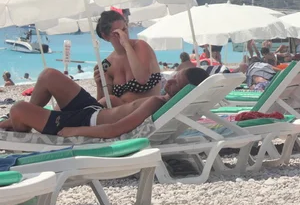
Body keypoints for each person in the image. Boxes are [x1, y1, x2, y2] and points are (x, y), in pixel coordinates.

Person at [0, 67, 208, 138]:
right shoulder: (162, 100)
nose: (169, 80)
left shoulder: (156, 103)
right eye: (174, 75)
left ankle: (17, 123)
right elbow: (122, 112)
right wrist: (114, 101)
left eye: (176, 81)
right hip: (92, 109)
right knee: (48, 76)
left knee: (18, 108)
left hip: (83, 121)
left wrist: (75, 131)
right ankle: (17, 121)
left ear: (186, 91)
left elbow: (115, 129)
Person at [93, 10, 162, 106]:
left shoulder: (140, 46)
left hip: (147, 109)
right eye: (117, 33)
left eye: (124, 29)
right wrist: (99, 85)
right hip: (122, 114)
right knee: (107, 100)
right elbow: (101, 105)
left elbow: (142, 79)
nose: (123, 35)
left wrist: (126, 45)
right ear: (106, 36)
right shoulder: (108, 64)